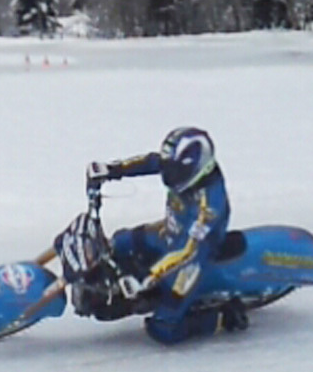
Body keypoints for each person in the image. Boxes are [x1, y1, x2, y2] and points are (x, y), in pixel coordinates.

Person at [85, 127, 248, 344]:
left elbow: (188, 250)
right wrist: (112, 170)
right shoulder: (179, 167)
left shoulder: (210, 204)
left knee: (163, 329)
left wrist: (146, 278)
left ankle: (222, 318)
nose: (169, 175)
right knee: (119, 242)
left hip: (192, 258)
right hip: (170, 232)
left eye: (175, 171)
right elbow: (152, 162)